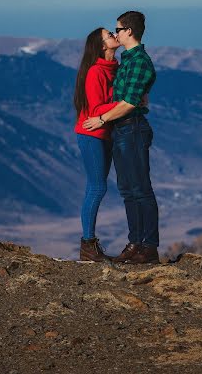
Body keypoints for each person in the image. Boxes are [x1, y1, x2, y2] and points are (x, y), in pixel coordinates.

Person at [83, 11, 159, 264]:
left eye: (118, 29)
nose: (115, 33)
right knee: (128, 189)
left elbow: (128, 103)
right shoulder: (126, 60)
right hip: (122, 130)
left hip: (132, 128)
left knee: (140, 189)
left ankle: (148, 246)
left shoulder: (139, 62)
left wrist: (102, 119)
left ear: (128, 31)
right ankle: (135, 243)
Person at [74, 27, 120, 262]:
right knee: (97, 187)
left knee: (96, 187)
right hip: (91, 134)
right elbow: (95, 109)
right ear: (102, 46)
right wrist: (124, 104)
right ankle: (88, 245)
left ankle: (89, 246)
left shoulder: (115, 69)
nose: (114, 35)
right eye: (109, 34)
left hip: (106, 135)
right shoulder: (95, 72)